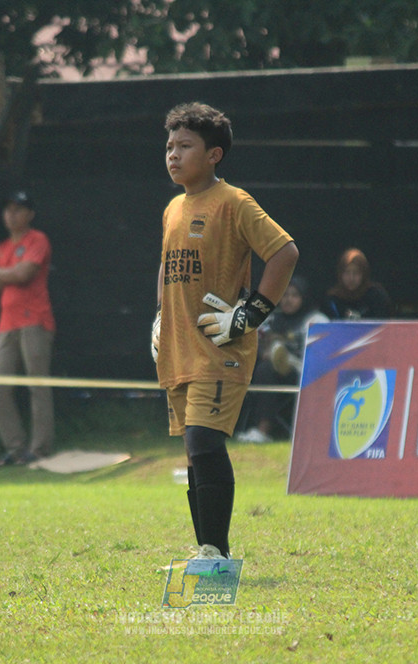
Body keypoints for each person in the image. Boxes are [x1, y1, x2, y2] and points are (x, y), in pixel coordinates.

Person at [154, 102, 299, 560]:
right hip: (178, 350)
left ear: (214, 154)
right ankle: (207, 553)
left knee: (204, 441)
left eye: (185, 146)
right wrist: (159, 317)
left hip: (221, 349)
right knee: (195, 453)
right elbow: (165, 266)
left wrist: (251, 313)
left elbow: (284, 253)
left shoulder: (234, 202)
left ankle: (216, 551)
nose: (173, 155)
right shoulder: (173, 208)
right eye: (169, 146)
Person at [0, 190, 56, 468]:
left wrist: (1, 273)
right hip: (7, 324)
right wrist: (9, 273)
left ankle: (40, 449)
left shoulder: (37, 239)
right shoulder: (2, 247)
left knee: (38, 384)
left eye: (18, 209)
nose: (11, 215)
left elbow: (25, 275)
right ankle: (16, 449)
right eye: (8, 210)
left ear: (30, 214)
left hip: (35, 320)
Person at [235, 276, 327, 443]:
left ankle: (263, 430)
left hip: (306, 375)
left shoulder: (316, 320)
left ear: (303, 297)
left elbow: (323, 353)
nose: (288, 300)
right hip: (272, 374)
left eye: (294, 295)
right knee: (262, 366)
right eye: (284, 295)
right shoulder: (270, 320)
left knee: (267, 368)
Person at [323, 247, 392, 320]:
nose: (351, 278)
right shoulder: (332, 299)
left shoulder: (376, 296)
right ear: (340, 274)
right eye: (347, 272)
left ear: (364, 274)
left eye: (356, 273)